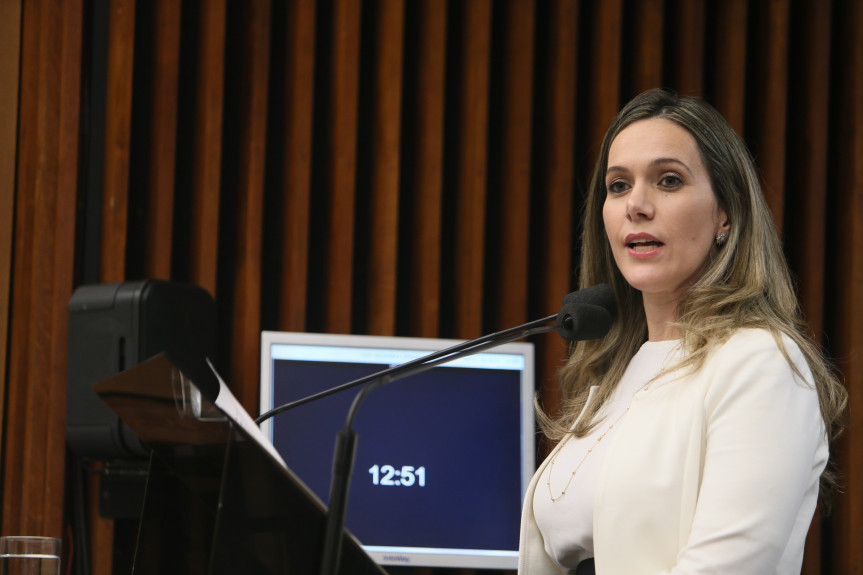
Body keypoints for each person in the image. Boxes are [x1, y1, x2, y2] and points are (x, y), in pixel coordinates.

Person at [518, 89, 847, 575]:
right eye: (618, 185)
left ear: (726, 214)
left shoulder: (760, 363)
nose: (637, 205)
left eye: (668, 180)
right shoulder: (613, 373)